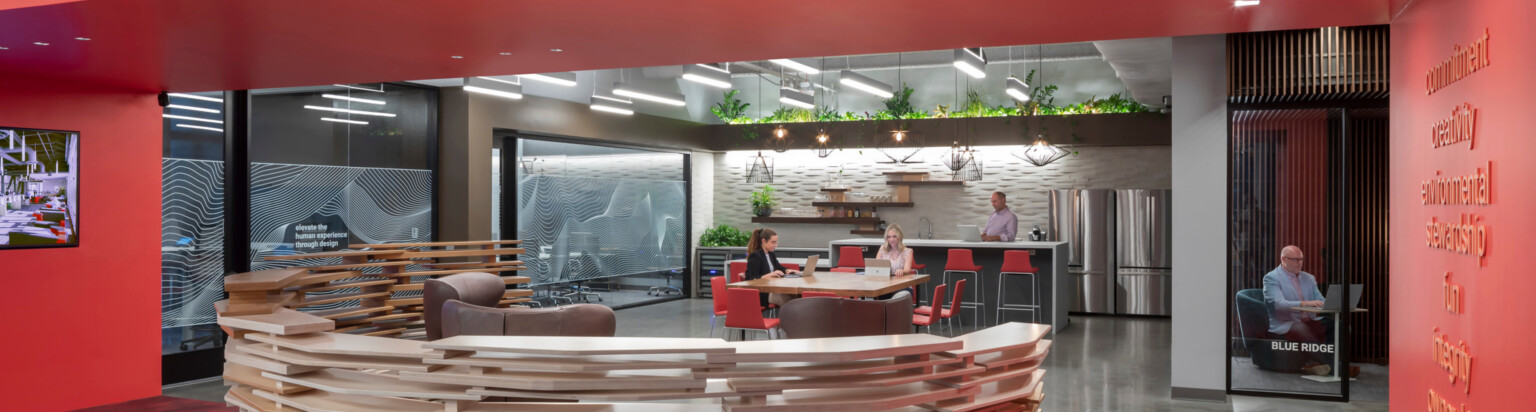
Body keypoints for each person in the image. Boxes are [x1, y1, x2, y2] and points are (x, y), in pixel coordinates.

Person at [1262, 245, 1334, 375]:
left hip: (1310, 319)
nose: (1299, 263)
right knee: (1301, 328)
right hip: (1286, 323)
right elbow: (1279, 304)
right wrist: (1306, 303)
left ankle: (1326, 362)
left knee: (1336, 325)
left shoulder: (1309, 278)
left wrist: (1327, 304)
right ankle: (1333, 366)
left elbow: (1321, 300)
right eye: (1295, 259)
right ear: (1283, 259)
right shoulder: (1271, 278)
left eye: (1301, 259)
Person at [744, 227, 801, 307]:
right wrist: (769, 275)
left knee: (797, 298)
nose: (776, 245)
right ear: (764, 241)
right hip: (763, 293)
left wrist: (788, 270)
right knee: (791, 304)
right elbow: (752, 279)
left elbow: (778, 267)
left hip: (773, 289)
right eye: (773, 242)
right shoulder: (755, 256)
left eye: (776, 242)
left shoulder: (771, 253)